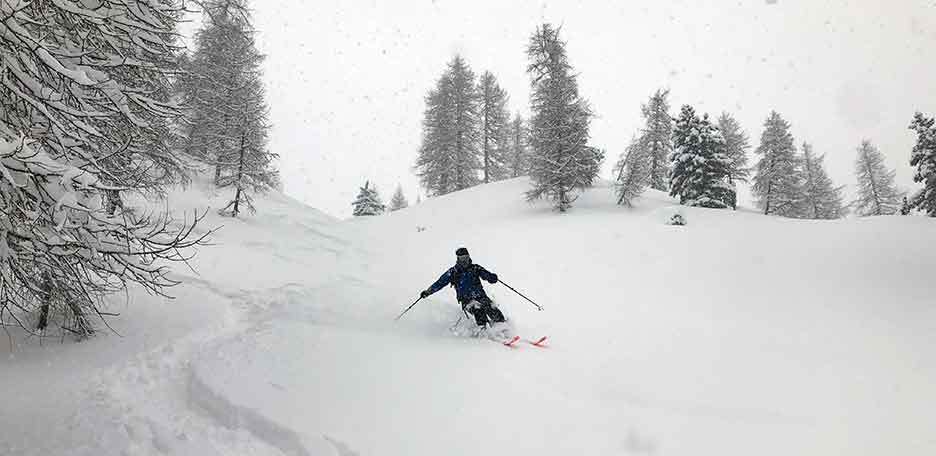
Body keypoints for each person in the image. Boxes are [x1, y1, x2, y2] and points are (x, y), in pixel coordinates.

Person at [420, 247, 507, 332]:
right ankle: (484, 331)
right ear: (458, 259)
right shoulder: (453, 272)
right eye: (462, 258)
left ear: (469, 257)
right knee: (478, 309)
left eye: (466, 257)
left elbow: (486, 275)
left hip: (481, 296)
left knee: (491, 307)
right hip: (467, 300)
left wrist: (492, 277)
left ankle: (503, 328)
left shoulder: (475, 268)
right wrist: (428, 292)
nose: (464, 261)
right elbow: (439, 283)